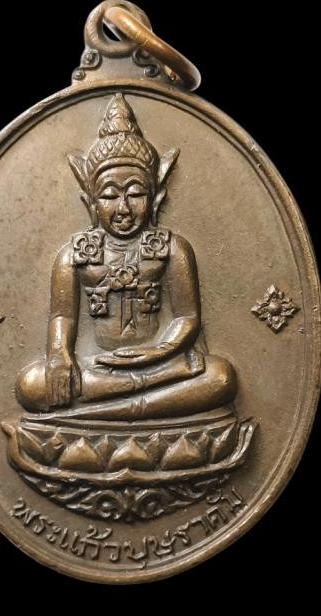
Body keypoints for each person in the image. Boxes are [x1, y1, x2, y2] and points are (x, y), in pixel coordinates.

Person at [16, 93, 236, 421]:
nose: (123, 209)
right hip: (99, 367)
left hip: (162, 364)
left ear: (156, 199)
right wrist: (60, 356)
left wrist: (159, 352)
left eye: (135, 193)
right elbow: (62, 317)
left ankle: (97, 413)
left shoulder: (172, 248)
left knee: (220, 376)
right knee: (31, 384)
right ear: (90, 202)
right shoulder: (74, 254)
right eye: (109, 195)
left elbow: (187, 317)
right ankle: (143, 404)